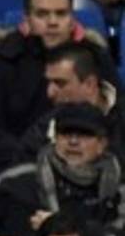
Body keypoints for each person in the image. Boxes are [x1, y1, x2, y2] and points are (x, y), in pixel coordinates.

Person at [0, 0, 118, 187]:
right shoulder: (2, 61)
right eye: (42, 14)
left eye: (61, 13)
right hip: (19, 172)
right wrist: (45, 159)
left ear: (72, 19)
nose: (52, 22)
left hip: (90, 172)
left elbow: (117, 122)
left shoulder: (96, 58)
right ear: (27, 20)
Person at [0, 102, 125, 236]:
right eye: (65, 133)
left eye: (84, 134)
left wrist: (55, 224)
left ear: (102, 144)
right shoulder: (20, 179)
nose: (73, 141)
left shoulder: (119, 188)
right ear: (55, 138)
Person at [15, 42, 125, 170]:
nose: (50, 93)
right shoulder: (42, 131)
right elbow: (22, 172)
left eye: (60, 83)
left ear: (89, 84)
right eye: (49, 83)